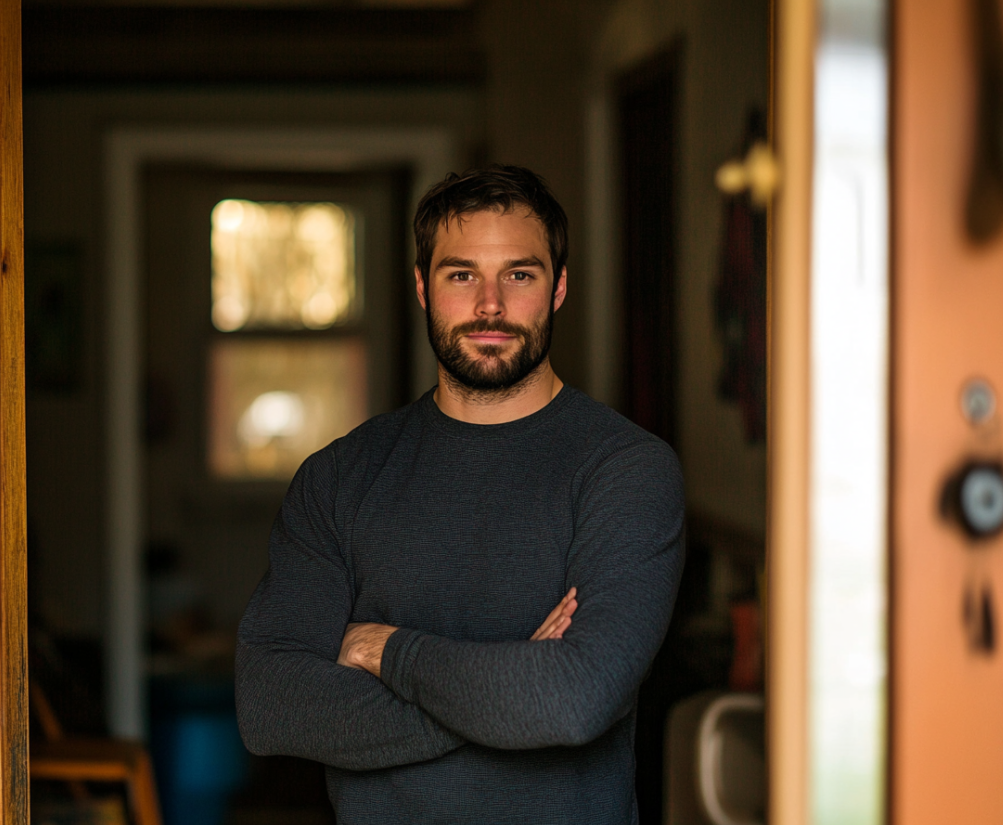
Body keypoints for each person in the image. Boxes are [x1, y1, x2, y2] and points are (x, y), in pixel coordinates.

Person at [235, 165, 684, 824]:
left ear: (558, 288)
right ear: (422, 286)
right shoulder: (339, 476)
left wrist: (386, 650)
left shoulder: (625, 470)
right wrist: (509, 689)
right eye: (461, 275)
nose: (490, 305)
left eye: (519, 275)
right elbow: (273, 706)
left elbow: (572, 701)